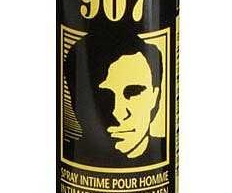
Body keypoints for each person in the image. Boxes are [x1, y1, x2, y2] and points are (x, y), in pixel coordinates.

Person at [64, 31, 165, 166]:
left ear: (154, 96)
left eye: (134, 92)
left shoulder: (165, 151)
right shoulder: (67, 153)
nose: (119, 113)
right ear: (75, 102)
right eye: (104, 96)